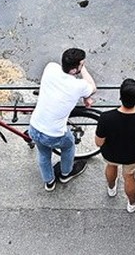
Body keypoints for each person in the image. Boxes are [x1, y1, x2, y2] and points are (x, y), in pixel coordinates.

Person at [28, 47, 97, 191]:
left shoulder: (50, 68)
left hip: (34, 127)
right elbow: (92, 87)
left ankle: (49, 182)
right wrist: (83, 69)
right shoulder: (78, 85)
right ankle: (66, 174)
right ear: (74, 70)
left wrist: (78, 66)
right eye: (81, 64)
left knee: (43, 154)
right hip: (53, 134)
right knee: (69, 145)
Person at [95, 78, 135, 212]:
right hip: (132, 155)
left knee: (111, 165)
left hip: (110, 153)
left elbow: (98, 142)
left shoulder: (106, 117)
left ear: (120, 97)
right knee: (129, 176)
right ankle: (132, 204)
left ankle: (111, 188)